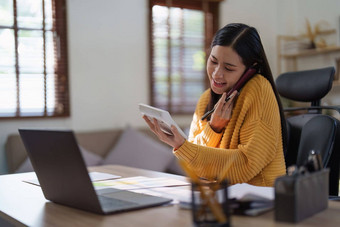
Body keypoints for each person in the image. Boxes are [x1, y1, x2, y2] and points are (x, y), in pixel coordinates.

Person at [143, 23, 286, 187]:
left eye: (229, 68)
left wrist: (184, 146)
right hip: (218, 195)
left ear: (251, 69)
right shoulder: (206, 98)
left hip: (259, 200)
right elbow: (195, 167)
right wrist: (213, 128)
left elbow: (247, 165)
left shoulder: (259, 90)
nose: (217, 73)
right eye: (213, 61)